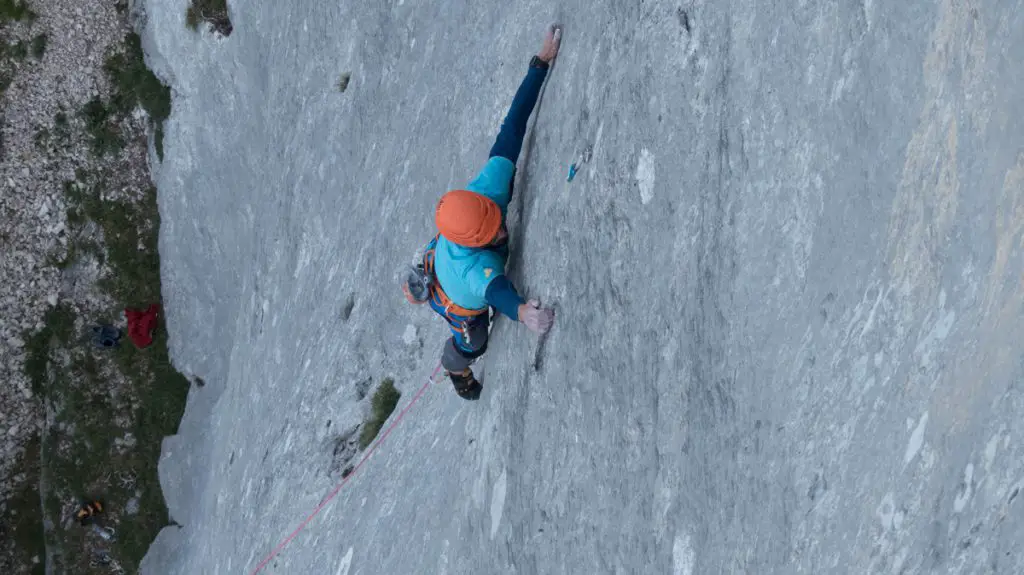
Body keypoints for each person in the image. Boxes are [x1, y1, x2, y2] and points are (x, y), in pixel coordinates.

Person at [403, 25, 560, 400]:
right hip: (460, 302)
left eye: (496, 222)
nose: (503, 232)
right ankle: (455, 367)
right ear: (475, 242)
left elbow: (512, 130)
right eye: (494, 236)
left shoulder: (485, 194)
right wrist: (524, 313)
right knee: (475, 341)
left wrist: (539, 64)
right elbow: (498, 292)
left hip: (443, 258)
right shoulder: (474, 270)